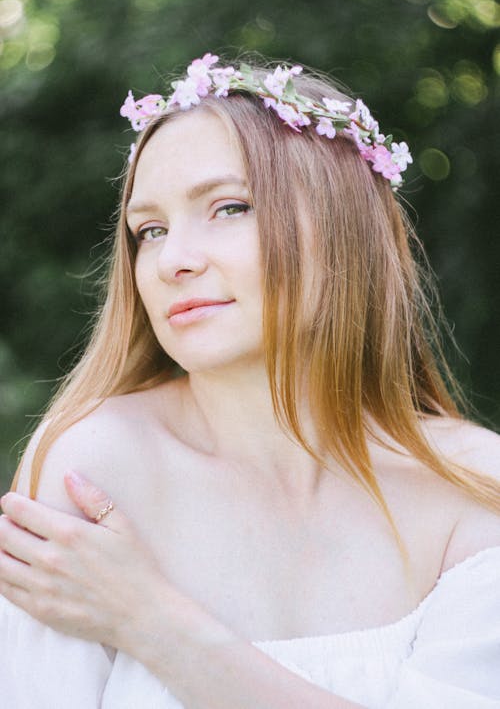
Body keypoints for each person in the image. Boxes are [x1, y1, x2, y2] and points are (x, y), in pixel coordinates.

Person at [0, 52, 499, 709]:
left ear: (346, 225)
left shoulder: (475, 490)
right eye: (149, 230)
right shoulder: (93, 470)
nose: (172, 260)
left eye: (229, 208)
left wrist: (155, 625)